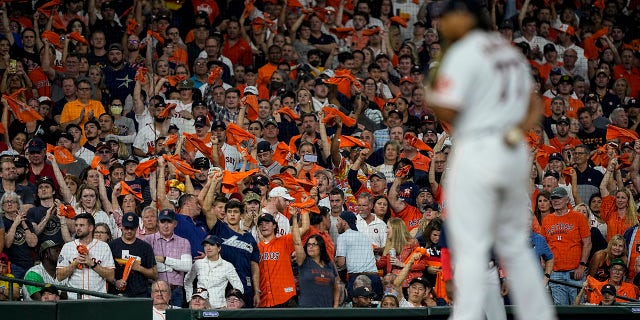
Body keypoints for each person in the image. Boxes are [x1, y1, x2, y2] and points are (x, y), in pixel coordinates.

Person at [425, 0, 555, 318]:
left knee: (466, 235)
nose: (441, 26)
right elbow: (532, 104)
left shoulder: (463, 52)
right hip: (511, 151)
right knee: (513, 245)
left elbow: (443, 106)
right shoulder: (505, 51)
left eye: (445, 19)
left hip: (479, 150)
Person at [56, 213, 115, 299]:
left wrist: (92, 264)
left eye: (81, 225)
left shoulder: (103, 246)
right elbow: (59, 276)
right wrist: (74, 263)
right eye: (76, 225)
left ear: (91, 228)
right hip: (74, 300)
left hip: (97, 300)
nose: (78, 228)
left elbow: (111, 276)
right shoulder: (68, 247)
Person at [144, 209, 192, 307]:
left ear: (175, 223)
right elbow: (147, 265)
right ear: (158, 223)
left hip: (175, 290)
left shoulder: (184, 242)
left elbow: (187, 266)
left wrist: (165, 259)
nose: (166, 226)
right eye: (162, 222)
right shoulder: (147, 240)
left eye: (169, 222)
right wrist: (171, 268)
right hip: (154, 290)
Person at [292, 210, 340, 308]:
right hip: (307, 311)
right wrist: (294, 218)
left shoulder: (329, 264)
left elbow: (337, 286)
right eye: (309, 245)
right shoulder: (304, 262)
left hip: (327, 310)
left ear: (321, 247)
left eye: (314, 245)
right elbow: (297, 241)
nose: (310, 247)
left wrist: (335, 307)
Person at [184, 235, 244, 309]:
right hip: (201, 308)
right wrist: (190, 300)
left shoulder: (227, 266)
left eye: (212, 245)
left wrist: (230, 303)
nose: (208, 248)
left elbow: (239, 287)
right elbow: (187, 281)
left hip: (219, 308)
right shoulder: (198, 264)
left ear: (219, 248)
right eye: (205, 245)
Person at [108, 212, 158, 297]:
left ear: (137, 228)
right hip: (116, 294)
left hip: (139, 295)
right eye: (126, 228)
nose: (129, 231)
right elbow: (106, 271)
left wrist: (139, 268)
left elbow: (154, 274)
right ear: (121, 227)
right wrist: (115, 282)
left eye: (132, 228)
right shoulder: (111, 246)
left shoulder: (145, 247)